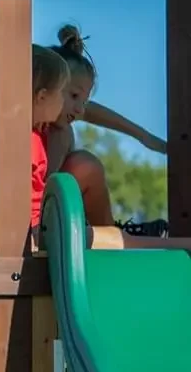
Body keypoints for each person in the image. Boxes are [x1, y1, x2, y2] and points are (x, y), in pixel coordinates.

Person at [47, 24, 169, 236]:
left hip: (52, 210)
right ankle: (110, 234)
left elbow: (92, 112)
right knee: (84, 163)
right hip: (30, 215)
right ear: (45, 89)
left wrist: (144, 137)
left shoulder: (63, 116)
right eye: (74, 96)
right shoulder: (31, 112)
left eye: (83, 101)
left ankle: (108, 231)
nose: (79, 109)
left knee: (81, 159)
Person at [31, 45, 70, 228]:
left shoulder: (32, 135)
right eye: (62, 92)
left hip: (41, 227)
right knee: (111, 238)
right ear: (42, 97)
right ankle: (170, 245)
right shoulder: (28, 143)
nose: (65, 101)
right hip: (38, 232)